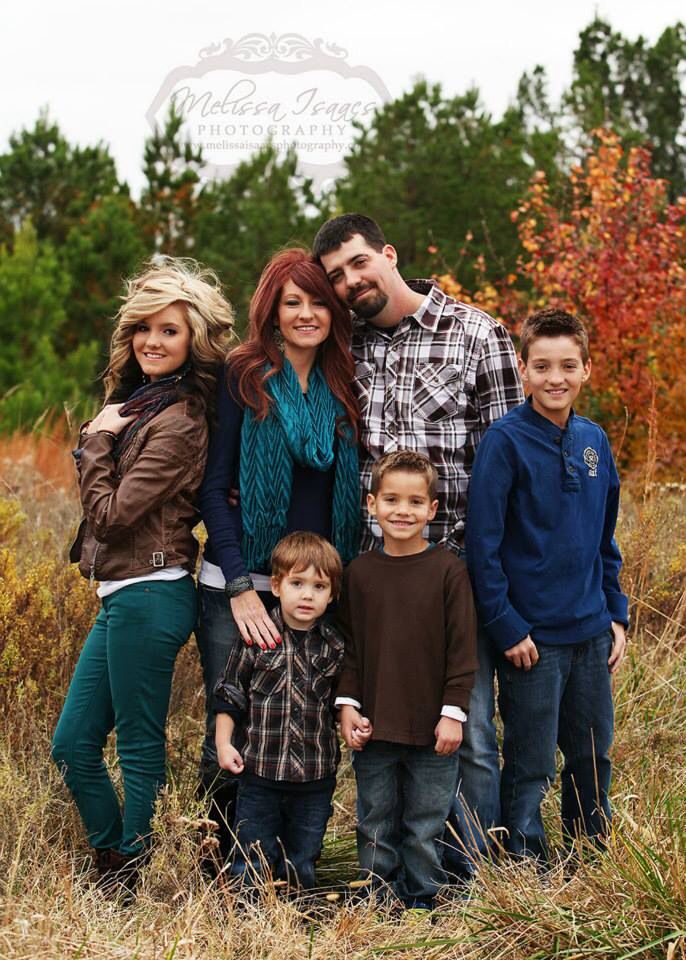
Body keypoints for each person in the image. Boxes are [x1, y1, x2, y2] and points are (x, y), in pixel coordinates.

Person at [313, 214, 523, 877]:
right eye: (336, 277)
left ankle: (477, 878)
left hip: (460, 572)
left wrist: (502, 584)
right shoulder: (345, 350)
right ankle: (401, 870)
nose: (350, 282)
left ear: (389, 254)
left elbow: (510, 472)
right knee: (386, 729)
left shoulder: (477, 335)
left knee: (472, 732)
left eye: (357, 263)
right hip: (378, 579)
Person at [52, 258, 235, 889]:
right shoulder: (138, 405)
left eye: (170, 331)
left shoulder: (180, 418)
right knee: (71, 745)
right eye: (143, 329)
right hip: (122, 596)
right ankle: (114, 853)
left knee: (137, 742)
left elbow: (112, 517)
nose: (152, 342)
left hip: (153, 594)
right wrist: (106, 429)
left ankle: (128, 869)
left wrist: (95, 442)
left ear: (193, 343)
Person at [196, 248, 360, 855]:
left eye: (319, 300)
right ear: (271, 308)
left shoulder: (342, 383)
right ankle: (218, 865)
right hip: (238, 584)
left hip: (312, 586)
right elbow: (215, 488)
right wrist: (241, 587)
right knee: (232, 724)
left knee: (299, 726)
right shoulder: (244, 378)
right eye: (293, 301)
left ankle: (287, 865)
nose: (307, 313)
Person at [465, 308, 628, 865]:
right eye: (542, 366)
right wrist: (506, 625)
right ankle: (525, 863)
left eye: (567, 366)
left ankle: (589, 856)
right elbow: (481, 547)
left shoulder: (593, 441)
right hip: (532, 641)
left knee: (591, 753)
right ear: (523, 369)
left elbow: (605, 538)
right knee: (531, 759)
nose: (554, 378)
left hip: (589, 634)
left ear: (586, 368)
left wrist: (616, 612)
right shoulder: (504, 443)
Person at [336, 451, 477, 911]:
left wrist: (453, 715)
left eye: (415, 502)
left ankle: (422, 901)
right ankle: (376, 902)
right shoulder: (358, 574)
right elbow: (350, 650)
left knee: (425, 822)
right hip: (374, 726)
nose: (403, 511)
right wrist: (347, 706)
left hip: (434, 727)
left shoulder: (448, 572)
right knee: (375, 819)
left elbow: (462, 652)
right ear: (371, 503)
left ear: (432, 510)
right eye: (392, 499)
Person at [214, 531, 347, 890]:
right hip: (260, 772)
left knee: (303, 854)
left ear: (332, 594)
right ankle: (248, 912)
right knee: (252, 849)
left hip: (315, 777)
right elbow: (230, 695)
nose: (307, 594)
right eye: (297, 583)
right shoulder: (258, 636)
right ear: (276, 585)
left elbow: (341, 702)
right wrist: (225, 744)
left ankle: (296, 912)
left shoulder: (333, 645)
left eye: (319, 587)